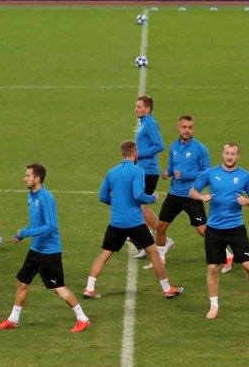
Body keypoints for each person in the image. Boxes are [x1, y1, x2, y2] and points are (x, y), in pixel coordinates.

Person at [0, 163, 90, 333]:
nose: (25, 178)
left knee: (57, 288)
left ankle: (82, 318)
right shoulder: (31, 195)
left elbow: (52, 226)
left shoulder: (46, 198)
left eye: (28, 176)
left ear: (37, 179)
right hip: (36, 250)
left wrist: (28, 232)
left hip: (49, 252)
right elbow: (37, 224)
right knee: (22, 282)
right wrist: (22, 235)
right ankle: (13, 319)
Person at [83, 141, 184, 300]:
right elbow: (138, 195)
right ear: (135, 153)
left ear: (123, 153)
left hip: (116, 222)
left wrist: (117, 203)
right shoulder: (138, 171)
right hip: (135, 222)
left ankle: (89, 288)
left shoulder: (112, 172)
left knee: (104, 254)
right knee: (154, 252)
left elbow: (103, 196)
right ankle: (167, 289)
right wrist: (152, 198)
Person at [189, 143, 249, 319]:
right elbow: (192, 191)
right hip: (214, 229)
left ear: (238, 156)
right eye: (227, 153)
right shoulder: (211, 173)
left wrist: (248, 201)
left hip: (235, 228)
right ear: (222, 154)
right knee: (213, 267)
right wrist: (201, 196)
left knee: (248, 266)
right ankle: (214, 305)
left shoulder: (244, 176)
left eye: (233, 154)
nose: (229, 156)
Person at [151, 115, 210, 268]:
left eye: (190, 127)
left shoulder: (200, 149)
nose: (187, 130)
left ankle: (227, 254)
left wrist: (186, 175)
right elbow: (172, 167)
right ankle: (160, 258)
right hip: (174, 194)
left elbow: (207, 173)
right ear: (178, 128)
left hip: (191, 195)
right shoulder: (173, 147)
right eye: (184, 127)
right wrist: (167, 173)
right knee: (160, 226)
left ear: (193, 129)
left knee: (203, 230)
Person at [132, 95, 164, 258]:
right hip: (143, 171)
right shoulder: (145, 123)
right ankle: (148, 243)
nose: (135, 109)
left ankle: (163, 240)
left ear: (147, 109)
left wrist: (138, 154)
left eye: (139, 106)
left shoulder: (150, 123)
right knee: (138, 207)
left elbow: (160, 145)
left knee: (141, 208)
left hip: (149, 172)